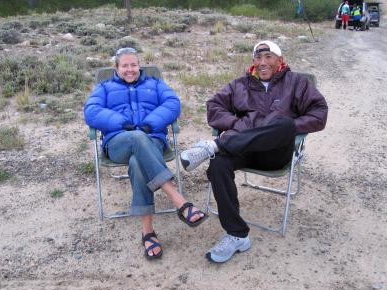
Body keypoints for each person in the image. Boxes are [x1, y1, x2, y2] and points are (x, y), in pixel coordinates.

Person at [180, 41, 328, 263]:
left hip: (275, 153)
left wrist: (287, 130)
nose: (262, 62)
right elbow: (213, 107)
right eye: (258, 58)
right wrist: (238, 125)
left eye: (268, 56)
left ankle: (216, 144)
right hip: (244, 149)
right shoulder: (240, 84)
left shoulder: (297, 83)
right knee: (219, 163)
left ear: (279, 59)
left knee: (285, 124)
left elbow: (319, 113)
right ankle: (237, 235)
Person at [84, 47, 207, 260]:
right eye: (125, 66)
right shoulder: (104, 87)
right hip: (118, 143)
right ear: (117, 68)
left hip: (153, 141)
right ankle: (178, 199)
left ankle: (147, 231)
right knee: (136, 138)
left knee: (137, 162)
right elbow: (91, 111)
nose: (130, 69)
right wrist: (122, 124)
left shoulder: (155, 84)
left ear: (139, 66)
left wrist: (151, 123)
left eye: (133, 65)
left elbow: (172, 103)